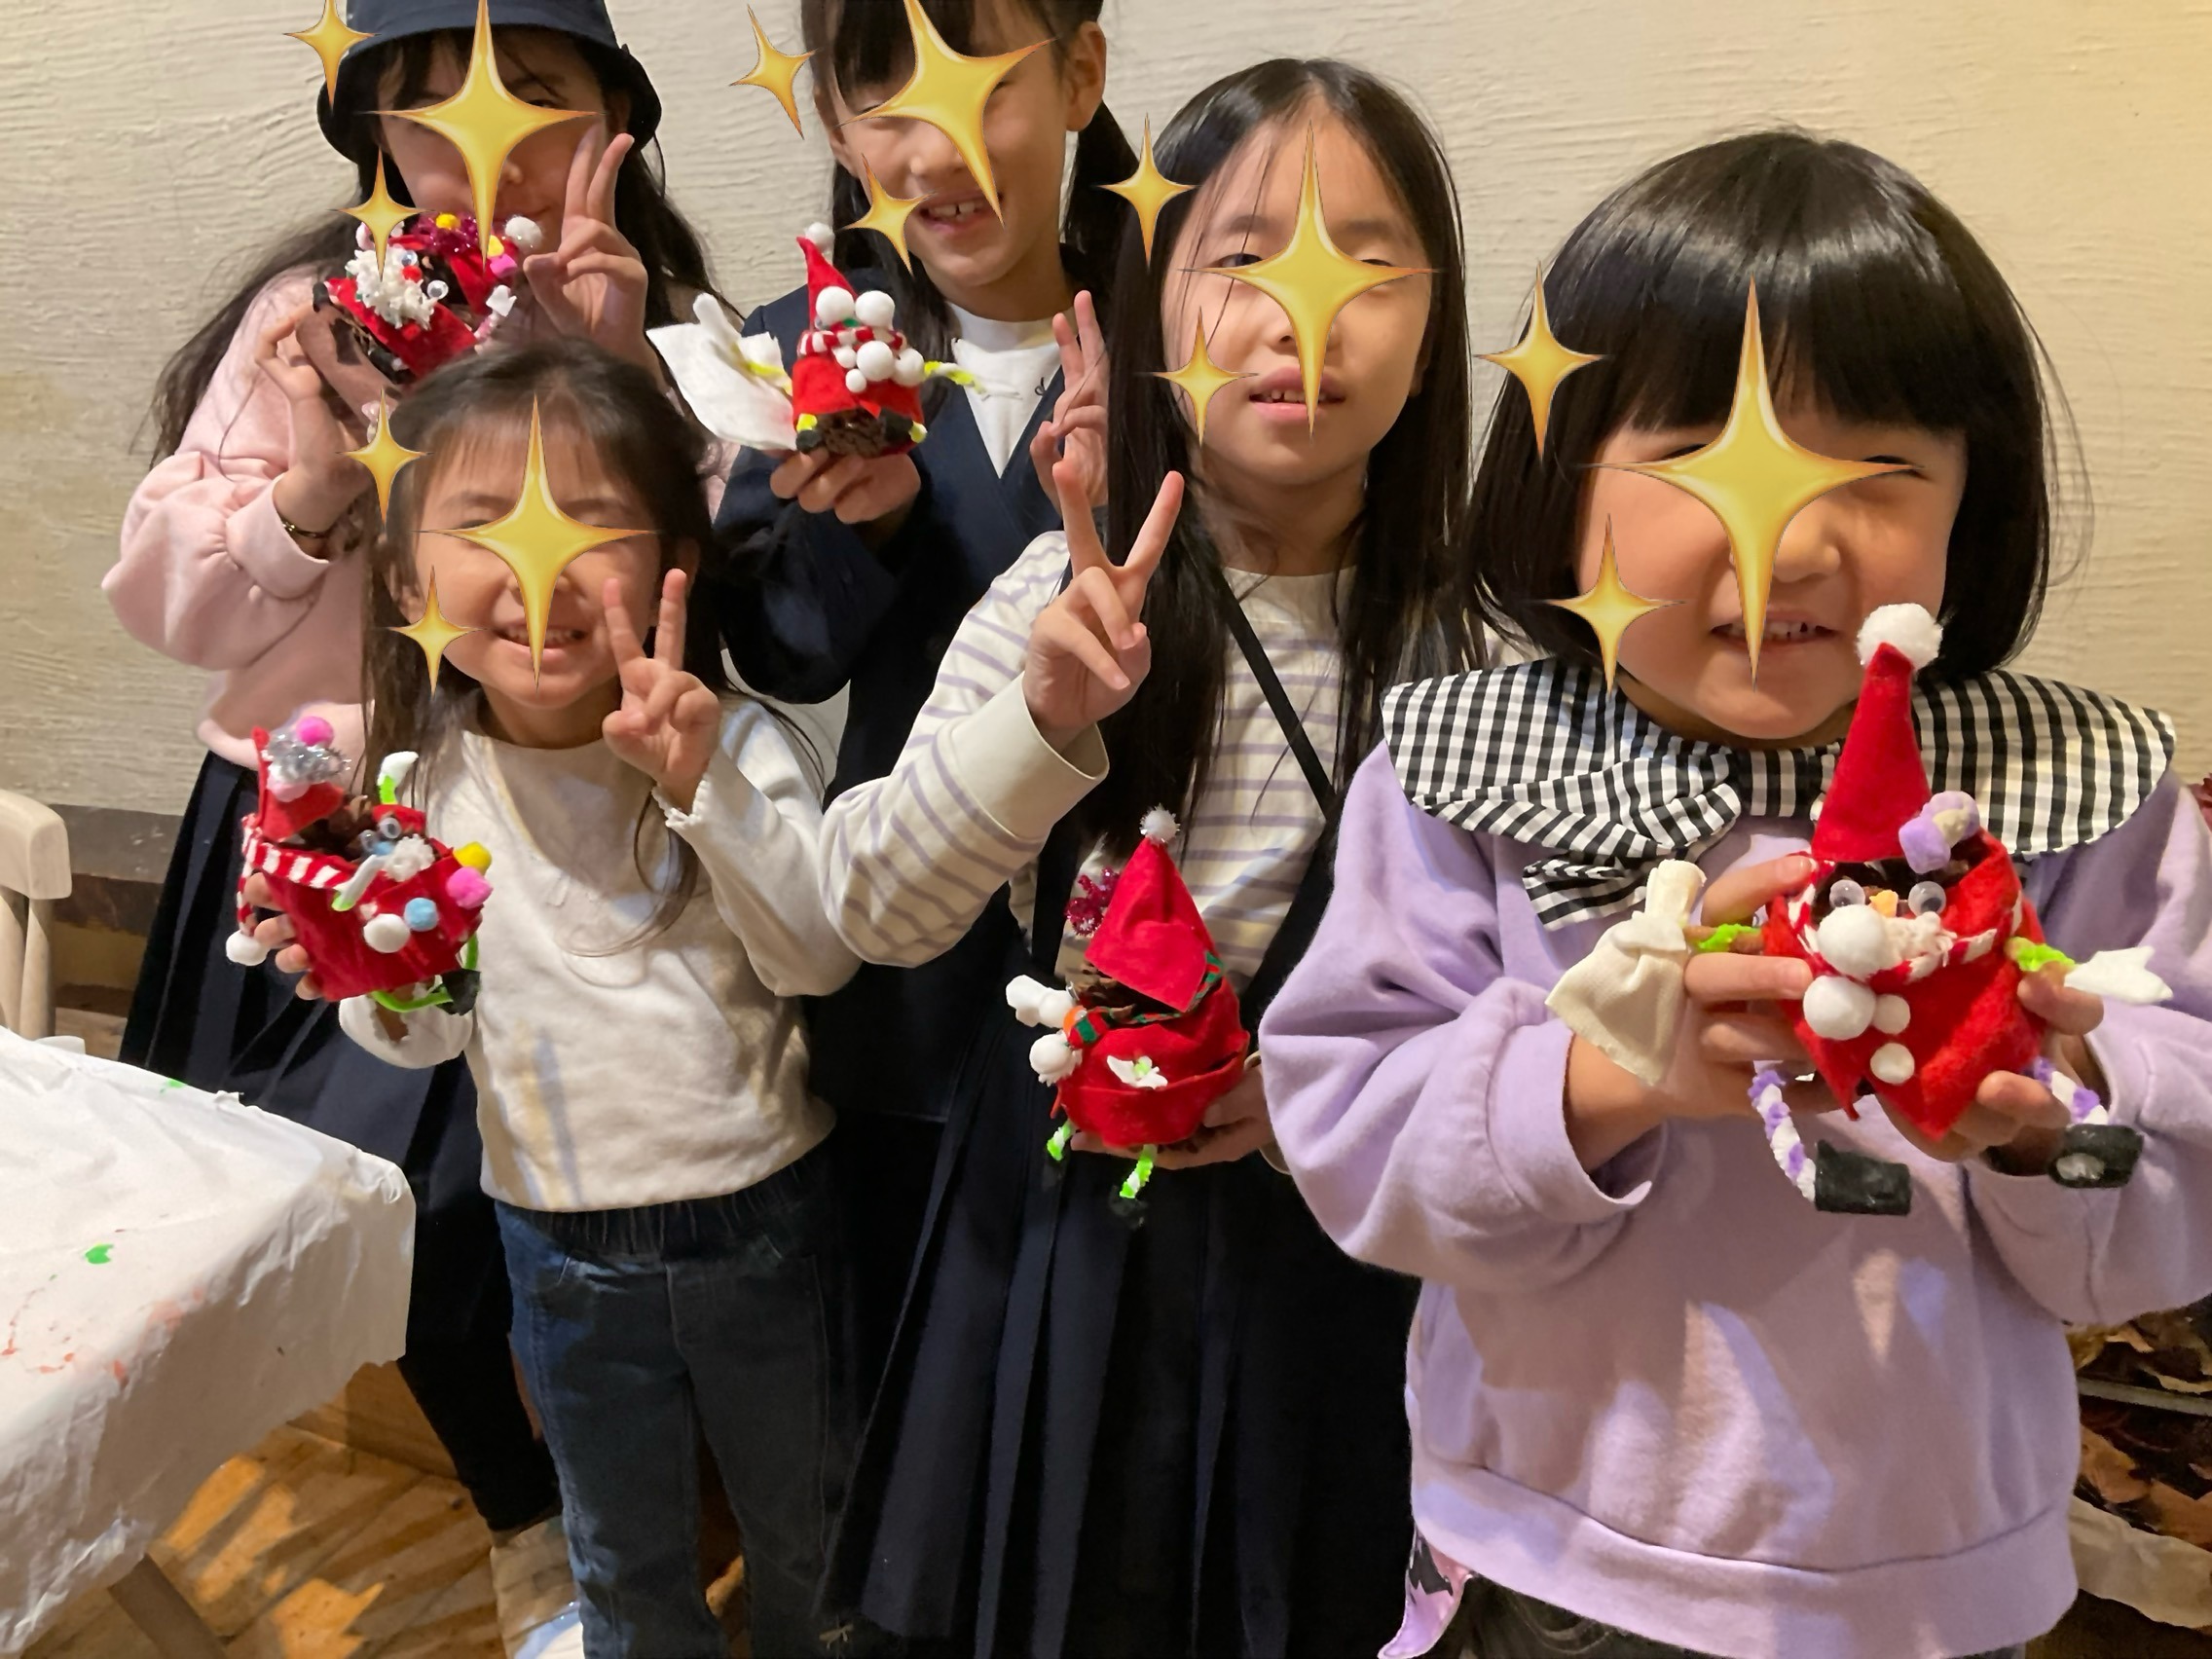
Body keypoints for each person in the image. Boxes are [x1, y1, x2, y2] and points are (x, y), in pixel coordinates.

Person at [1261, 130, 2212, 1659]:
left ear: (1974, 505)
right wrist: (1612, 1077)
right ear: (1562, 487)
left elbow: (2180, 1187)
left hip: (1928, 1576)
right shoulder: (1469, 772)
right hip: (1555, 1553)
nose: (1790, 536)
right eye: (1696, 457)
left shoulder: (2069, 793)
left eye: (1877, 467)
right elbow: (1352, 1130)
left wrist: (2056, 1112)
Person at [817, 58, 1479, 1658]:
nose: (1301, 314)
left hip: (1343, 1253)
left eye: (1366, 263)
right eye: (1242, 256)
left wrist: (1330, 1105)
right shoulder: (1057, 595)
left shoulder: (1478, 650)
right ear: (1150, 309)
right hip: (1063, 1233)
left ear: (1434, 327)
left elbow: (1512, 1004)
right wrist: (1042, 719)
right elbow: (871, 909)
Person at [104, 5, 715, 1651]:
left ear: (613, 122)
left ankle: (607, 1523)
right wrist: (312, 491)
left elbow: (716, 598)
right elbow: (161, 599)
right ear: (372, 128)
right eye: (427, 94)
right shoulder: (305, 321)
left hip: (544, 833)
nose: (482, 129)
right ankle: (522, 1518)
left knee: (541, 1200)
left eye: (535, 87)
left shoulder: (650, 318)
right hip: (317, 831)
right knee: (368, 1210)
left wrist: (631, 372)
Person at [242, 343, 862, 1659]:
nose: (538, 565)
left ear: (675, 560)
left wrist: (700, 787)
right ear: (406, 578)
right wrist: (371, 966)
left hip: (766, 1223)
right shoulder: (418, 791)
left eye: (590, 521)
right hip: (557, 1244)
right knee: (622, 1561)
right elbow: (422, 1041)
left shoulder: (738, 742)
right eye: (482, 525)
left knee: (812, 1542)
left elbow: (816, 957)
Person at [696, 0, 1129, 1380]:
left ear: (1079, 72)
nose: (939, 142)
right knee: (899, 1376)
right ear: (835, 124)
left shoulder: (1171, 326)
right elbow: (780, 653)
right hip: (904, 981)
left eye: (986, 77)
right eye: (883, 88)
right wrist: (870, 528)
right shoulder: (801, 350)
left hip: (1132, 954)